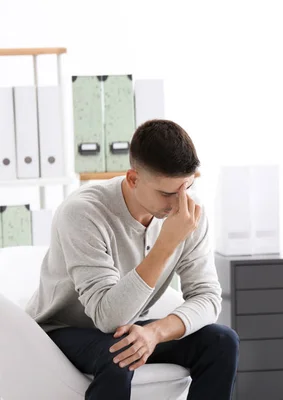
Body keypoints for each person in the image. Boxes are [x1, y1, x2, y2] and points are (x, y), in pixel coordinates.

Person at [25, 119, 239, 400]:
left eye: (186, 187)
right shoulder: (82, 213)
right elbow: (107, 318)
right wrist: (166, 243)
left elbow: (208, 297)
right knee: (120, 353)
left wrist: (154, 333)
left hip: (127, 326)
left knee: (222, 340)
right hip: (62, 330)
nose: (180, 204)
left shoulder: (190, 212)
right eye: (167, 193)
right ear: (133, 179)